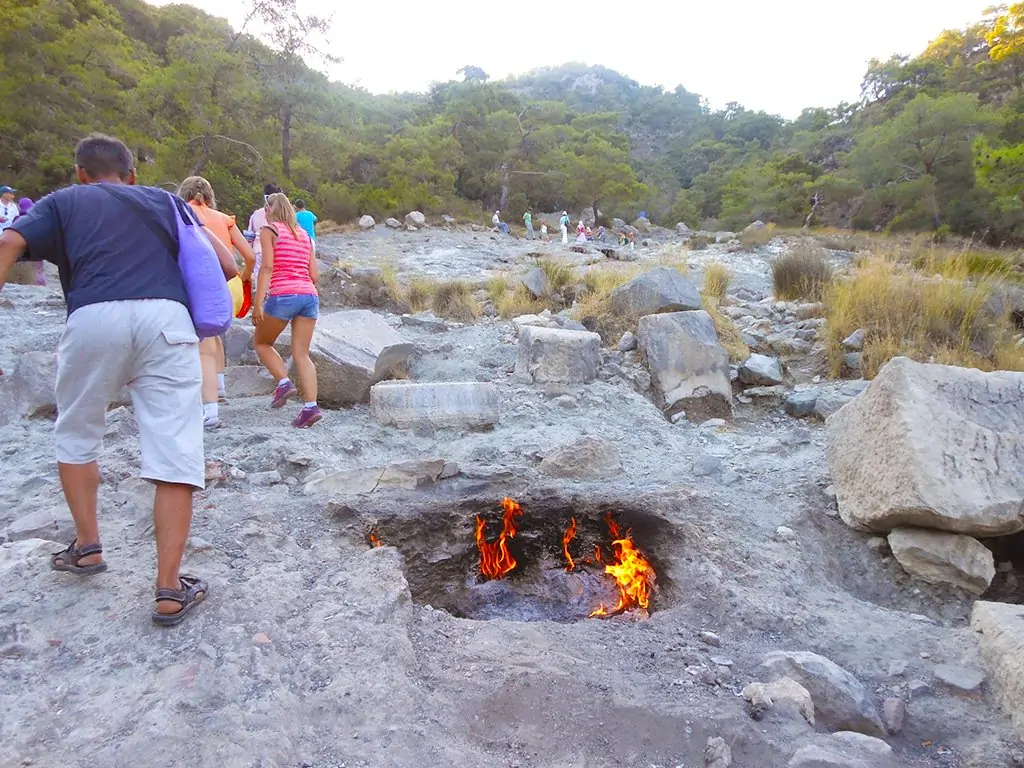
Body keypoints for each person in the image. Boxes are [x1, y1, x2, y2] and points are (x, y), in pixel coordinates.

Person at [0, 133, 238, 627]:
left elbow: (10, 242)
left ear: (81, 173)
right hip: (166, 321)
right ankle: (170, 588)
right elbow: (229, 263)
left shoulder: (63, 201)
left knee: (77, 432)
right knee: (174, 446)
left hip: (93, 317)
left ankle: (88, 547)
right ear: (132, 175)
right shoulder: (167, 201)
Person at [177, 176, 257, 429]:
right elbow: (250, 256)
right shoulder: (224, 218)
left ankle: (208, 409)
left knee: (203, 347)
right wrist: (242, 278)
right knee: (216, 336)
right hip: (230, 285)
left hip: (201, 285)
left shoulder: (181, 212)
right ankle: (219, 386)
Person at [253, 193, 322, 428]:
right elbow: (315, 275)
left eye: (266, 208)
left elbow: (267, 267)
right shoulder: (304, 235)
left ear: (270, 209)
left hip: (283, 294)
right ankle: (311, 408)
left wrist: (258, 303)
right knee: (302, 353)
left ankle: (283, 383)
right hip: (309, 296)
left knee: (262, 342)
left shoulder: (269, 230)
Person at [248, 183, 282, 286]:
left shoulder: (256, 214)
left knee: (260, 278)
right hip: (275, 250)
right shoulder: (281, 214)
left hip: (258, 250)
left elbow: (250, 236)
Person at [13, 198, 45, 285]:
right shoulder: (38, 219)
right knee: (38, 275)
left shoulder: (17, 219)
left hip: (21, 252)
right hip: (36, 251)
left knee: (20, 276)